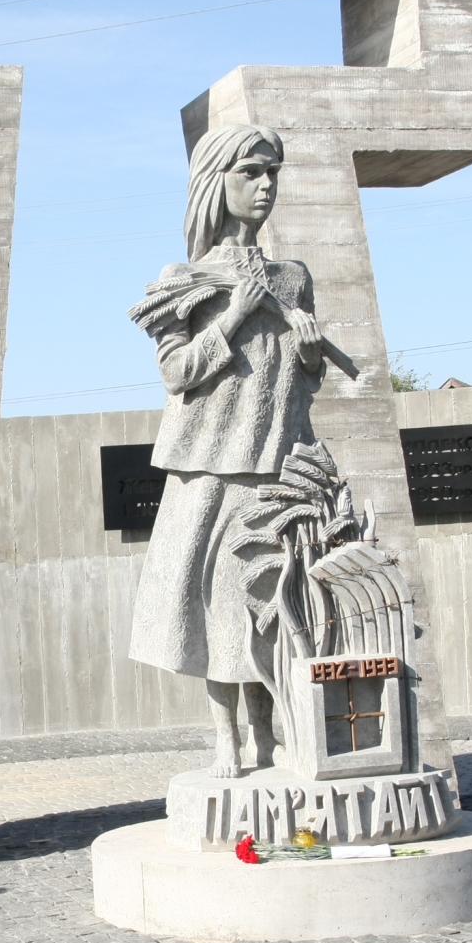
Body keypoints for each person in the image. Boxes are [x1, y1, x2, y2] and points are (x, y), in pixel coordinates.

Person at [125, 123, 333, 778]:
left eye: (273, 172)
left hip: (278, 470)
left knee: (269, 608)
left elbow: (304, 382)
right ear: (217, 183)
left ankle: (269, 739)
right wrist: (236, 315)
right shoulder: (184, 279)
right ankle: (227, 743)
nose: (266, 185)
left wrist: (309, 352)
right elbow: (177, 373)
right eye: (251, 172)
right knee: (216, 614)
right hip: (211, 469)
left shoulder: (293, 278)